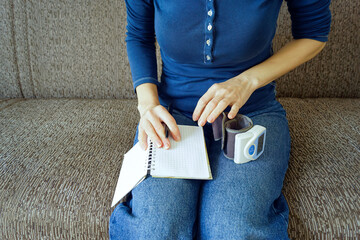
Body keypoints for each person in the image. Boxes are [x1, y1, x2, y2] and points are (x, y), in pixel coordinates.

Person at [109, 0, 331, 239]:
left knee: (233, 231)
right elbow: (139, 36)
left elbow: (313, 33)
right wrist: (148, 105)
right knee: (153, 231)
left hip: (251, 114)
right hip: (172, 116)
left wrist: (247, 81)